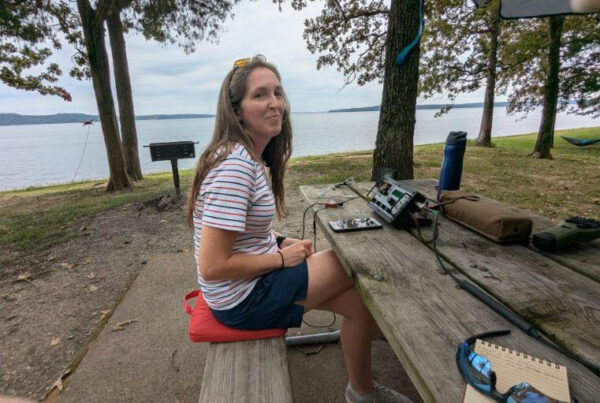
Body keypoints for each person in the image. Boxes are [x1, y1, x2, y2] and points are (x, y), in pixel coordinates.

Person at [187, 55, 411, 403]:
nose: (275, 103)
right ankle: (406, 335)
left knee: (357, 303)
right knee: (353, 260)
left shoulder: (244, 158)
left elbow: (245, 234)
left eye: (277, 92)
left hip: (243, 290)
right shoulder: (234, 169)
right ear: (237, 110)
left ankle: (362, 393)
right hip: (241, 301)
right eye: (260, 95)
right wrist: (280, 259)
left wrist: (278, 240)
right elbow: (213, 266)